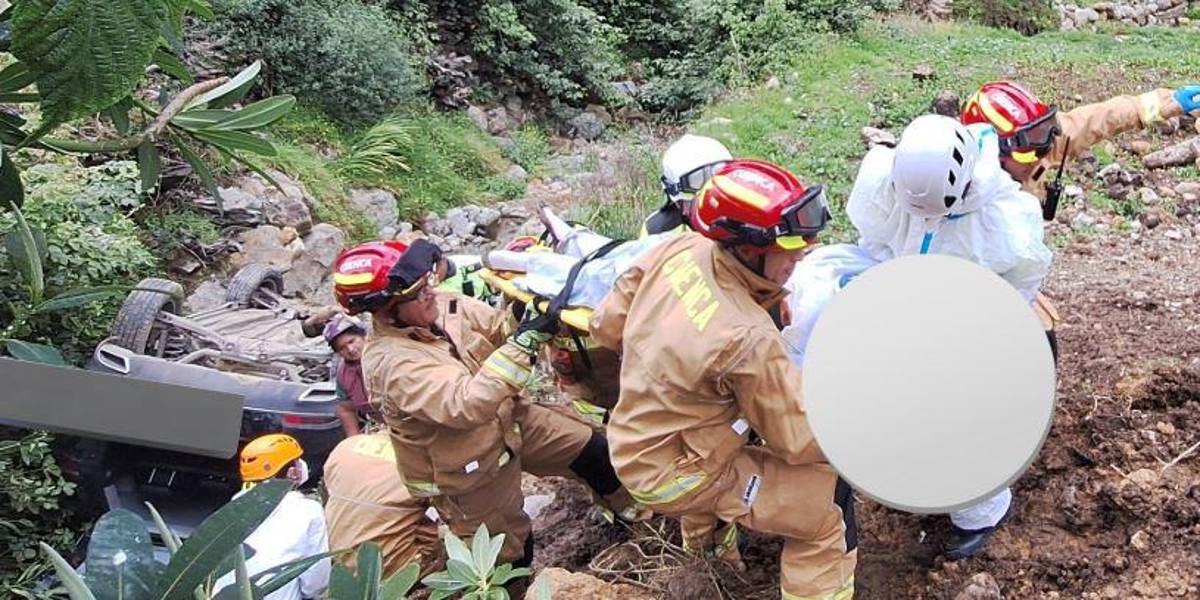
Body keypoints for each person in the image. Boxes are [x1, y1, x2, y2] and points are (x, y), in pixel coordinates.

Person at [590, 159, 858, 600]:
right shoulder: (745, 337)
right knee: (828, 511)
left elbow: (605, 325)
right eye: (789, 247)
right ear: (748, 248)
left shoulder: (682, 249)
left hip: (637, 437)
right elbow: (796, 437)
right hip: (679, 471)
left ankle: (711, 564)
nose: (799, 256)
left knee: (722, 442)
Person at [333, 239, 645, 573]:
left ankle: (639, 521)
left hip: (510, 421)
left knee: (591, 450)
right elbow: (467, 404)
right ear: (385, 310)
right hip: (468, 466)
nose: (431, 294)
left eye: (429, 284)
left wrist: (523, 313)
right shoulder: (393, 364)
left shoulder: (445, 309)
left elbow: (498, 329)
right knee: (506, 554)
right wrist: (526, 341)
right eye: (419, 292)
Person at [845, 113, 1055, 559]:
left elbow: (1017, 292)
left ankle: (980, 514)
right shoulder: (883, 182)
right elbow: (875, 241)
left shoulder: (1004, 219)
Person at [959, 80, 1200, 205]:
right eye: (1029, 143)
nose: (1043, 148)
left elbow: (1094, 119)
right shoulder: (957, 196)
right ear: (993, 150)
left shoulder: (1037, 152)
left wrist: (1165, 103)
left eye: (1042, 131)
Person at [215, 434, 330, 600]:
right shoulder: (309, 511)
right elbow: (315, 583)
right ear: (292, 472)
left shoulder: (236, 505)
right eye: (297, 461)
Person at [323, 432, 440, 577]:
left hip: (336, 563)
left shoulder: (346, 447)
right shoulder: (426, 464)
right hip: (390, 569)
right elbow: (450, 516)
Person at [641, 134, 733, 237]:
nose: (711, 192)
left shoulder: (743, 217)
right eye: (697, 180)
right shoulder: (657, 230)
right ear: (677, 200)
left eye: (719, 175)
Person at [322, 316, 379, 437]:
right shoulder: (344, 374)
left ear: (364, 336)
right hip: (380, 424)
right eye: (342, 348)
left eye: (351, 341)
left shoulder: (385, 356)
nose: (350, 349)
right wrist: (354, 440)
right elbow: (346, 408)